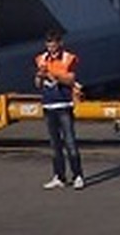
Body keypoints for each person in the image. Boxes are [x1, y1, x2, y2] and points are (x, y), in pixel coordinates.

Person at [35, 28, 85, 190]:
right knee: (54, 144)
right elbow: (37, 84)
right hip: (48, 105)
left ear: (60, 44)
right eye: (48, 45)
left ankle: (78, 175)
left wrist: (53, 74)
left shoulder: (68, 58)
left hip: (64, 105)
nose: (51, 48)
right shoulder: (42, 59)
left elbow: (71, 79)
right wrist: (40, 76)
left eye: (54, 45)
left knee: (70, 142)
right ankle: (59, 176)